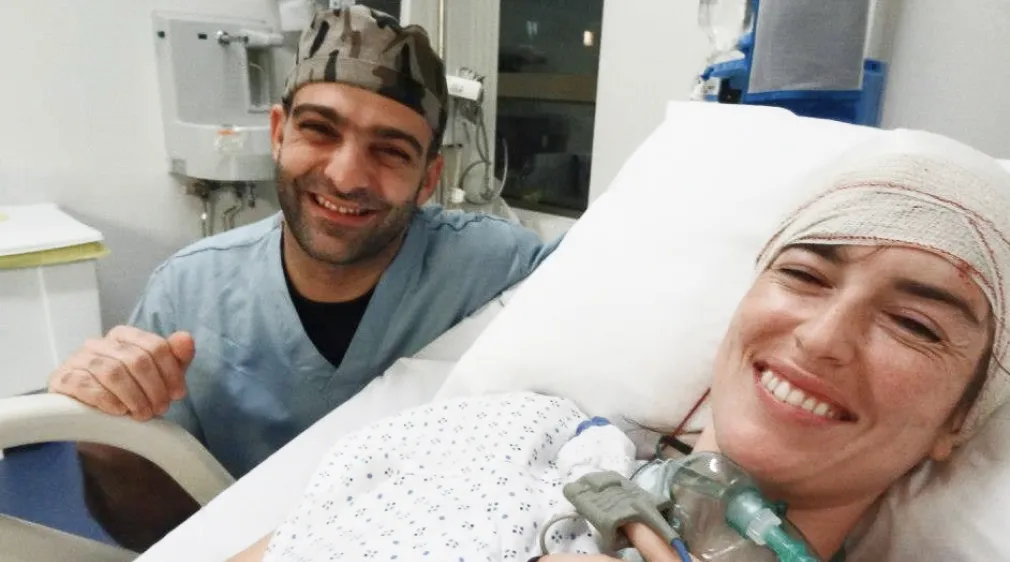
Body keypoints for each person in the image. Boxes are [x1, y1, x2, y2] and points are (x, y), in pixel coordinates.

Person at [228, 129, 1010, 562]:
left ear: (959, 421)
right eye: (804, 273)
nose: (823, 336)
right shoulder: (498, 434)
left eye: (916, 324)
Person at [46, 6, 556, 552]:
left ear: (429, 178)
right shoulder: (188, 292)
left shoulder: (499, 268)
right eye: (319, 129)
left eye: (390, 151)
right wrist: (106, 438)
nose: (345, 176)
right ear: (277, 132)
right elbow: (155, 534)